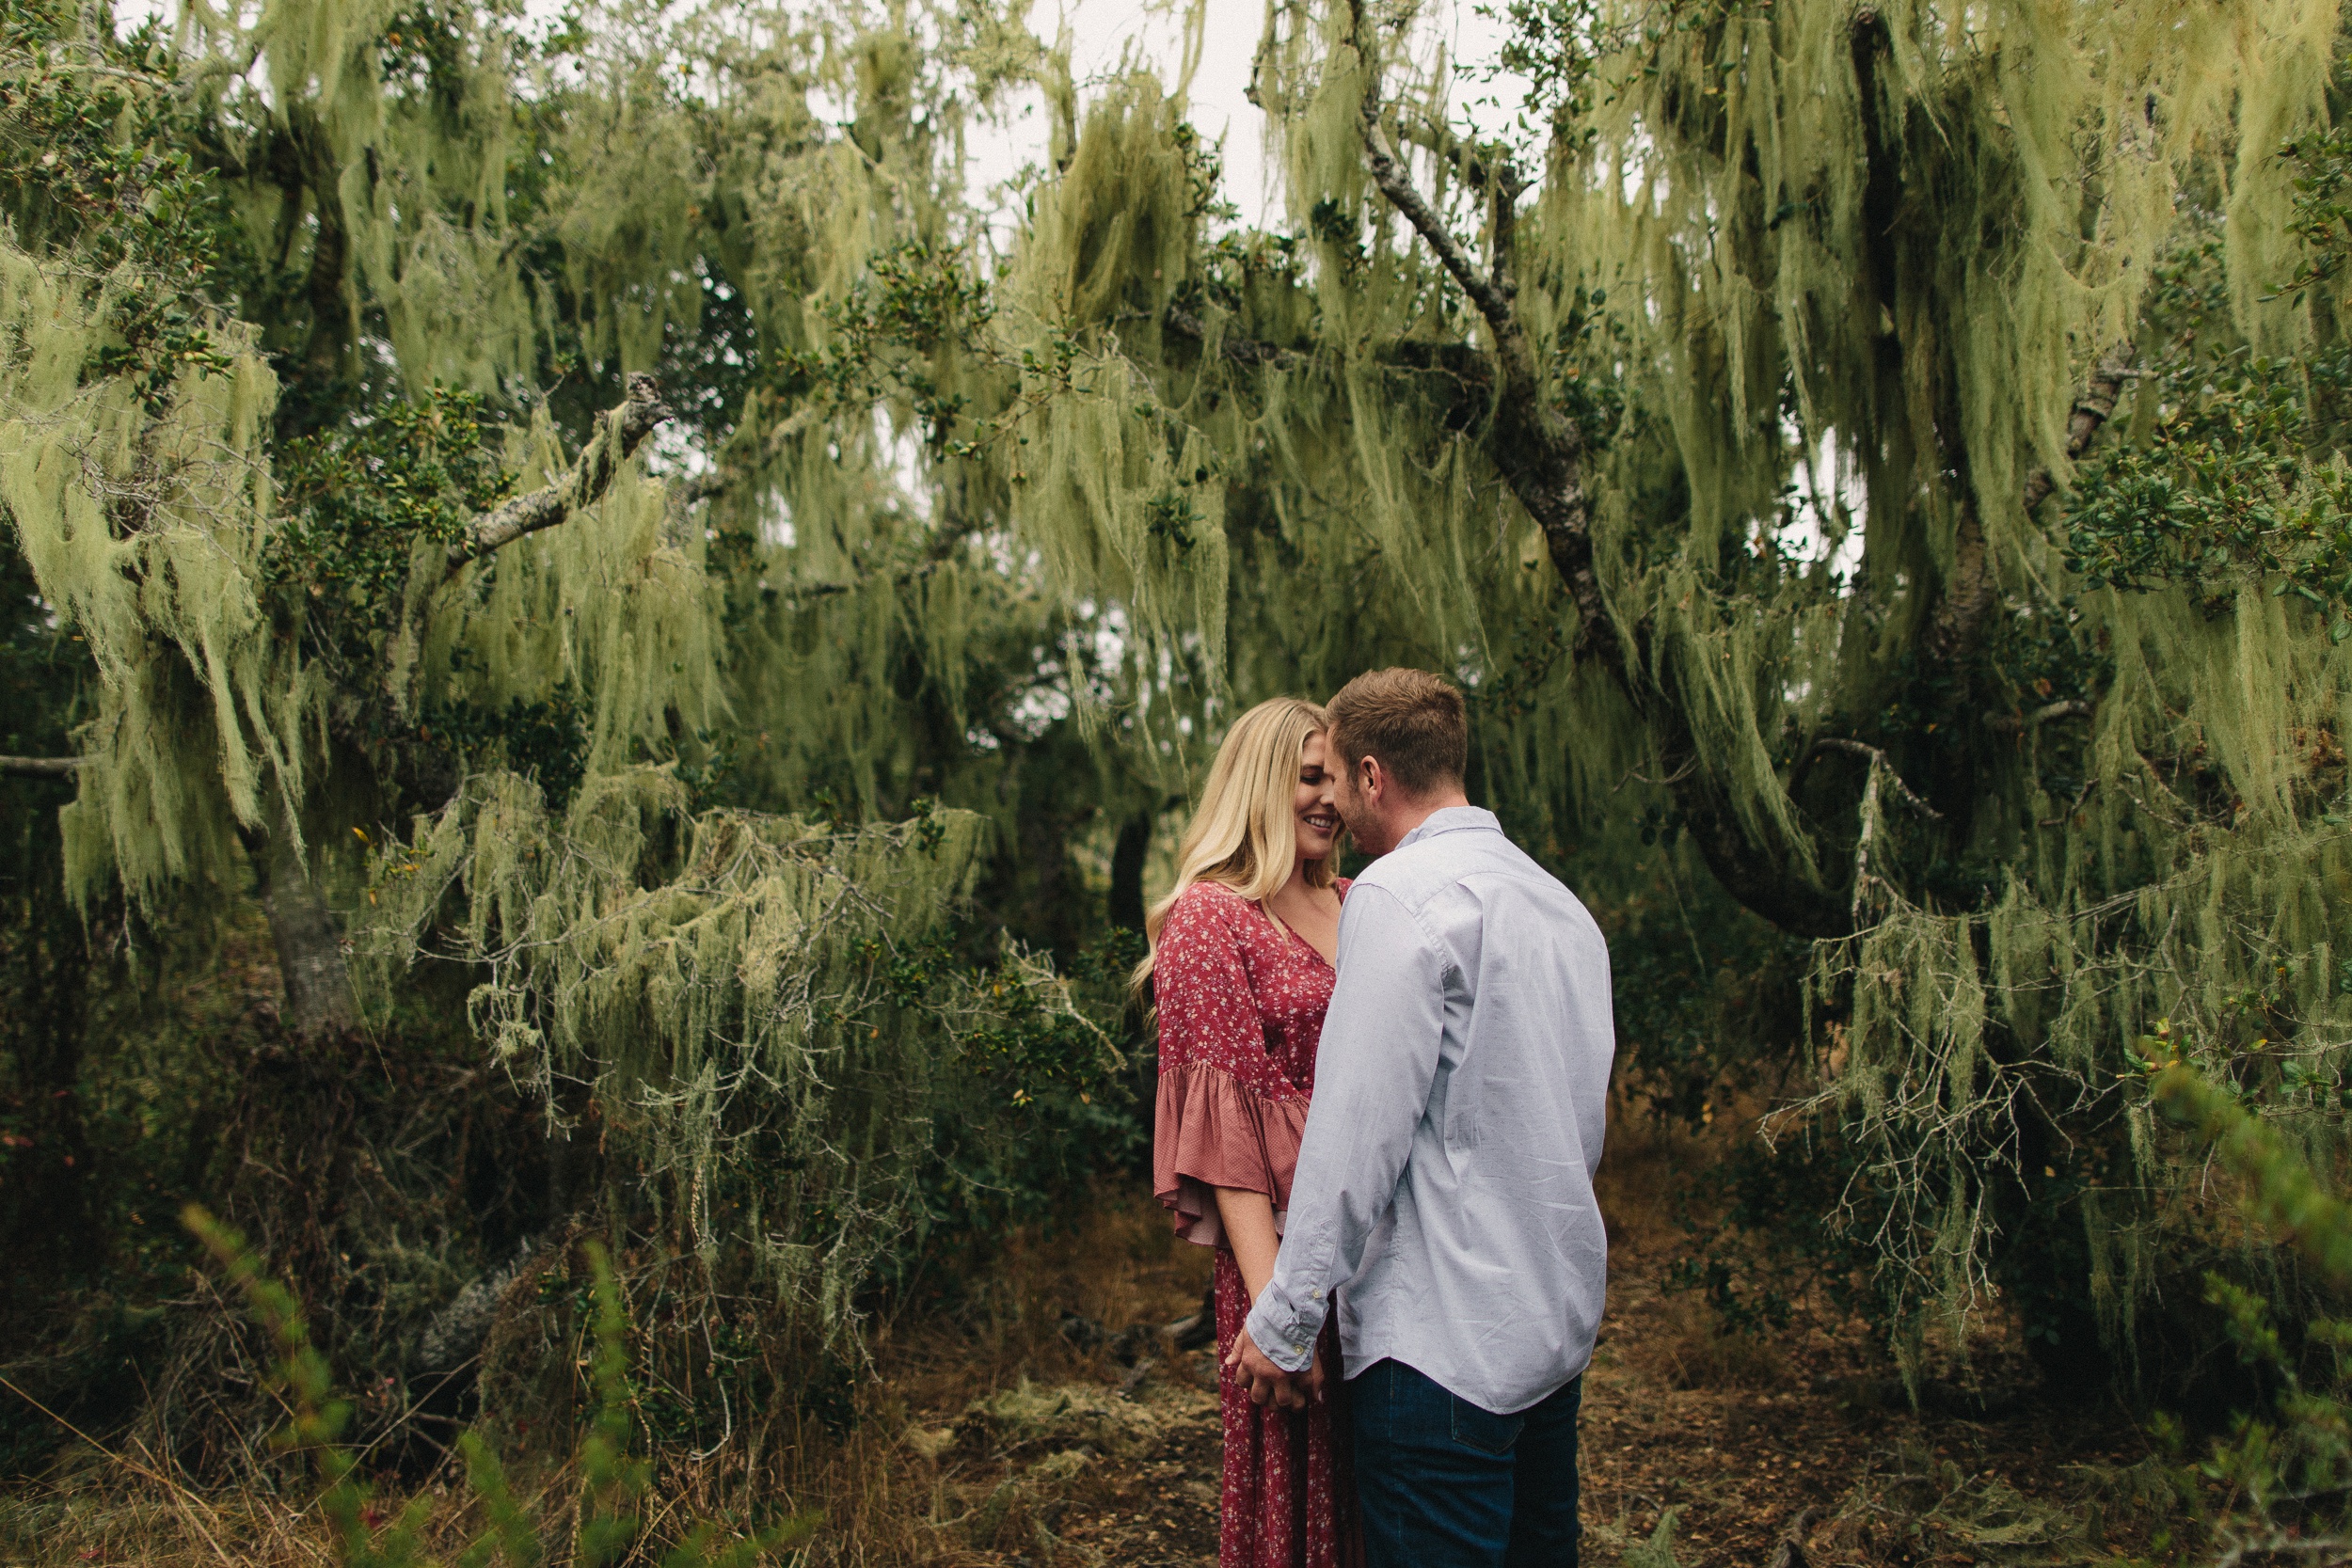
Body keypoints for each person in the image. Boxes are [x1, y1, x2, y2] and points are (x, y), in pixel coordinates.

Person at [1224, 668, 1616, 1568]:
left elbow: (1358, 1134)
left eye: (1338, 783)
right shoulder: (1563, 910)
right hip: (1550, 1337)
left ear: (1372, 776)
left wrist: (1285, 1319)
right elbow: (1577, 1132)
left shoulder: (1401, 898)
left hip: (1438, 1353)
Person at [1142, 696, 1363, 1568]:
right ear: (1261, 785)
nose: (1327, 800)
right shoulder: (1212, 916)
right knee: (1302, 1483)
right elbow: (1225, 1129)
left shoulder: (1359, 899)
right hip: (1290, 1249)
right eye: (1309, 778)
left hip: (1390, 1236)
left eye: (1336, 781)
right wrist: (1284, 1312)